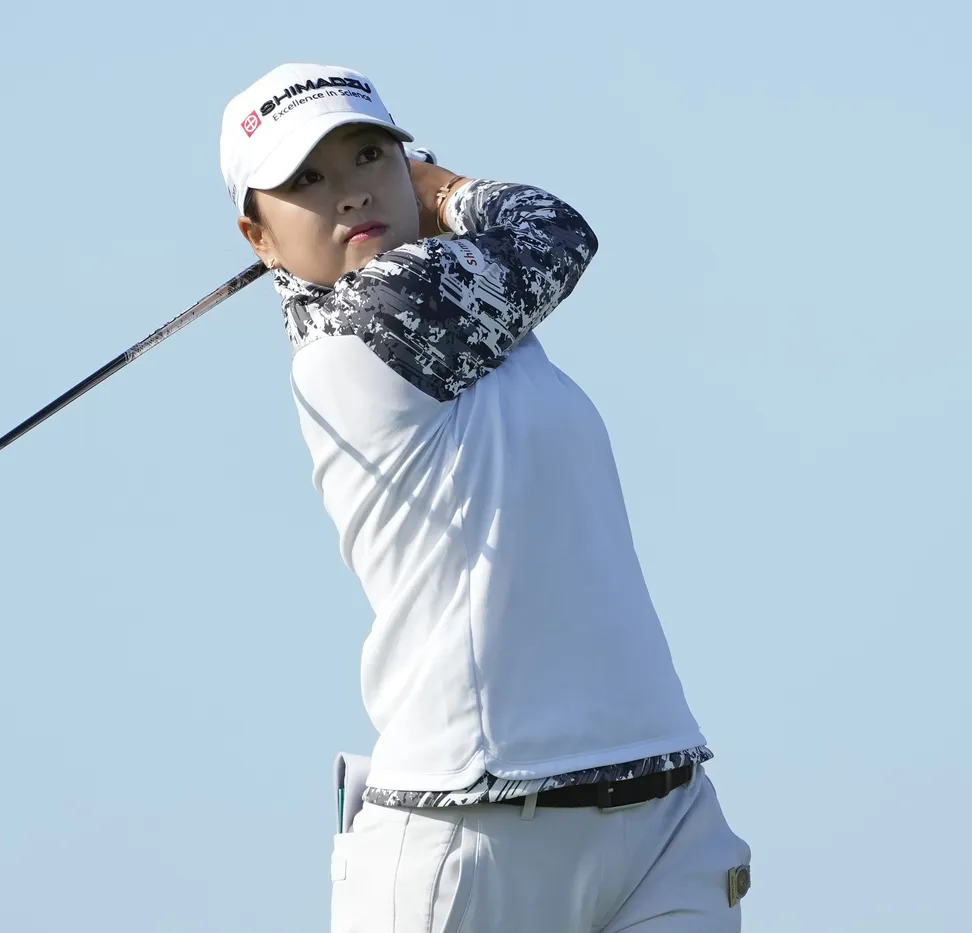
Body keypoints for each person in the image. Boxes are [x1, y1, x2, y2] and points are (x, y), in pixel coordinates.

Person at [218, 63, 753, 932]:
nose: (350, 192)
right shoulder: (361, 332)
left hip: (664, 817)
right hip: (468, 834)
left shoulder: (478, 322)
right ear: (260, 237)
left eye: (369, 157)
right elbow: (554, 232)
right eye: (307, 180)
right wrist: (441, 187)